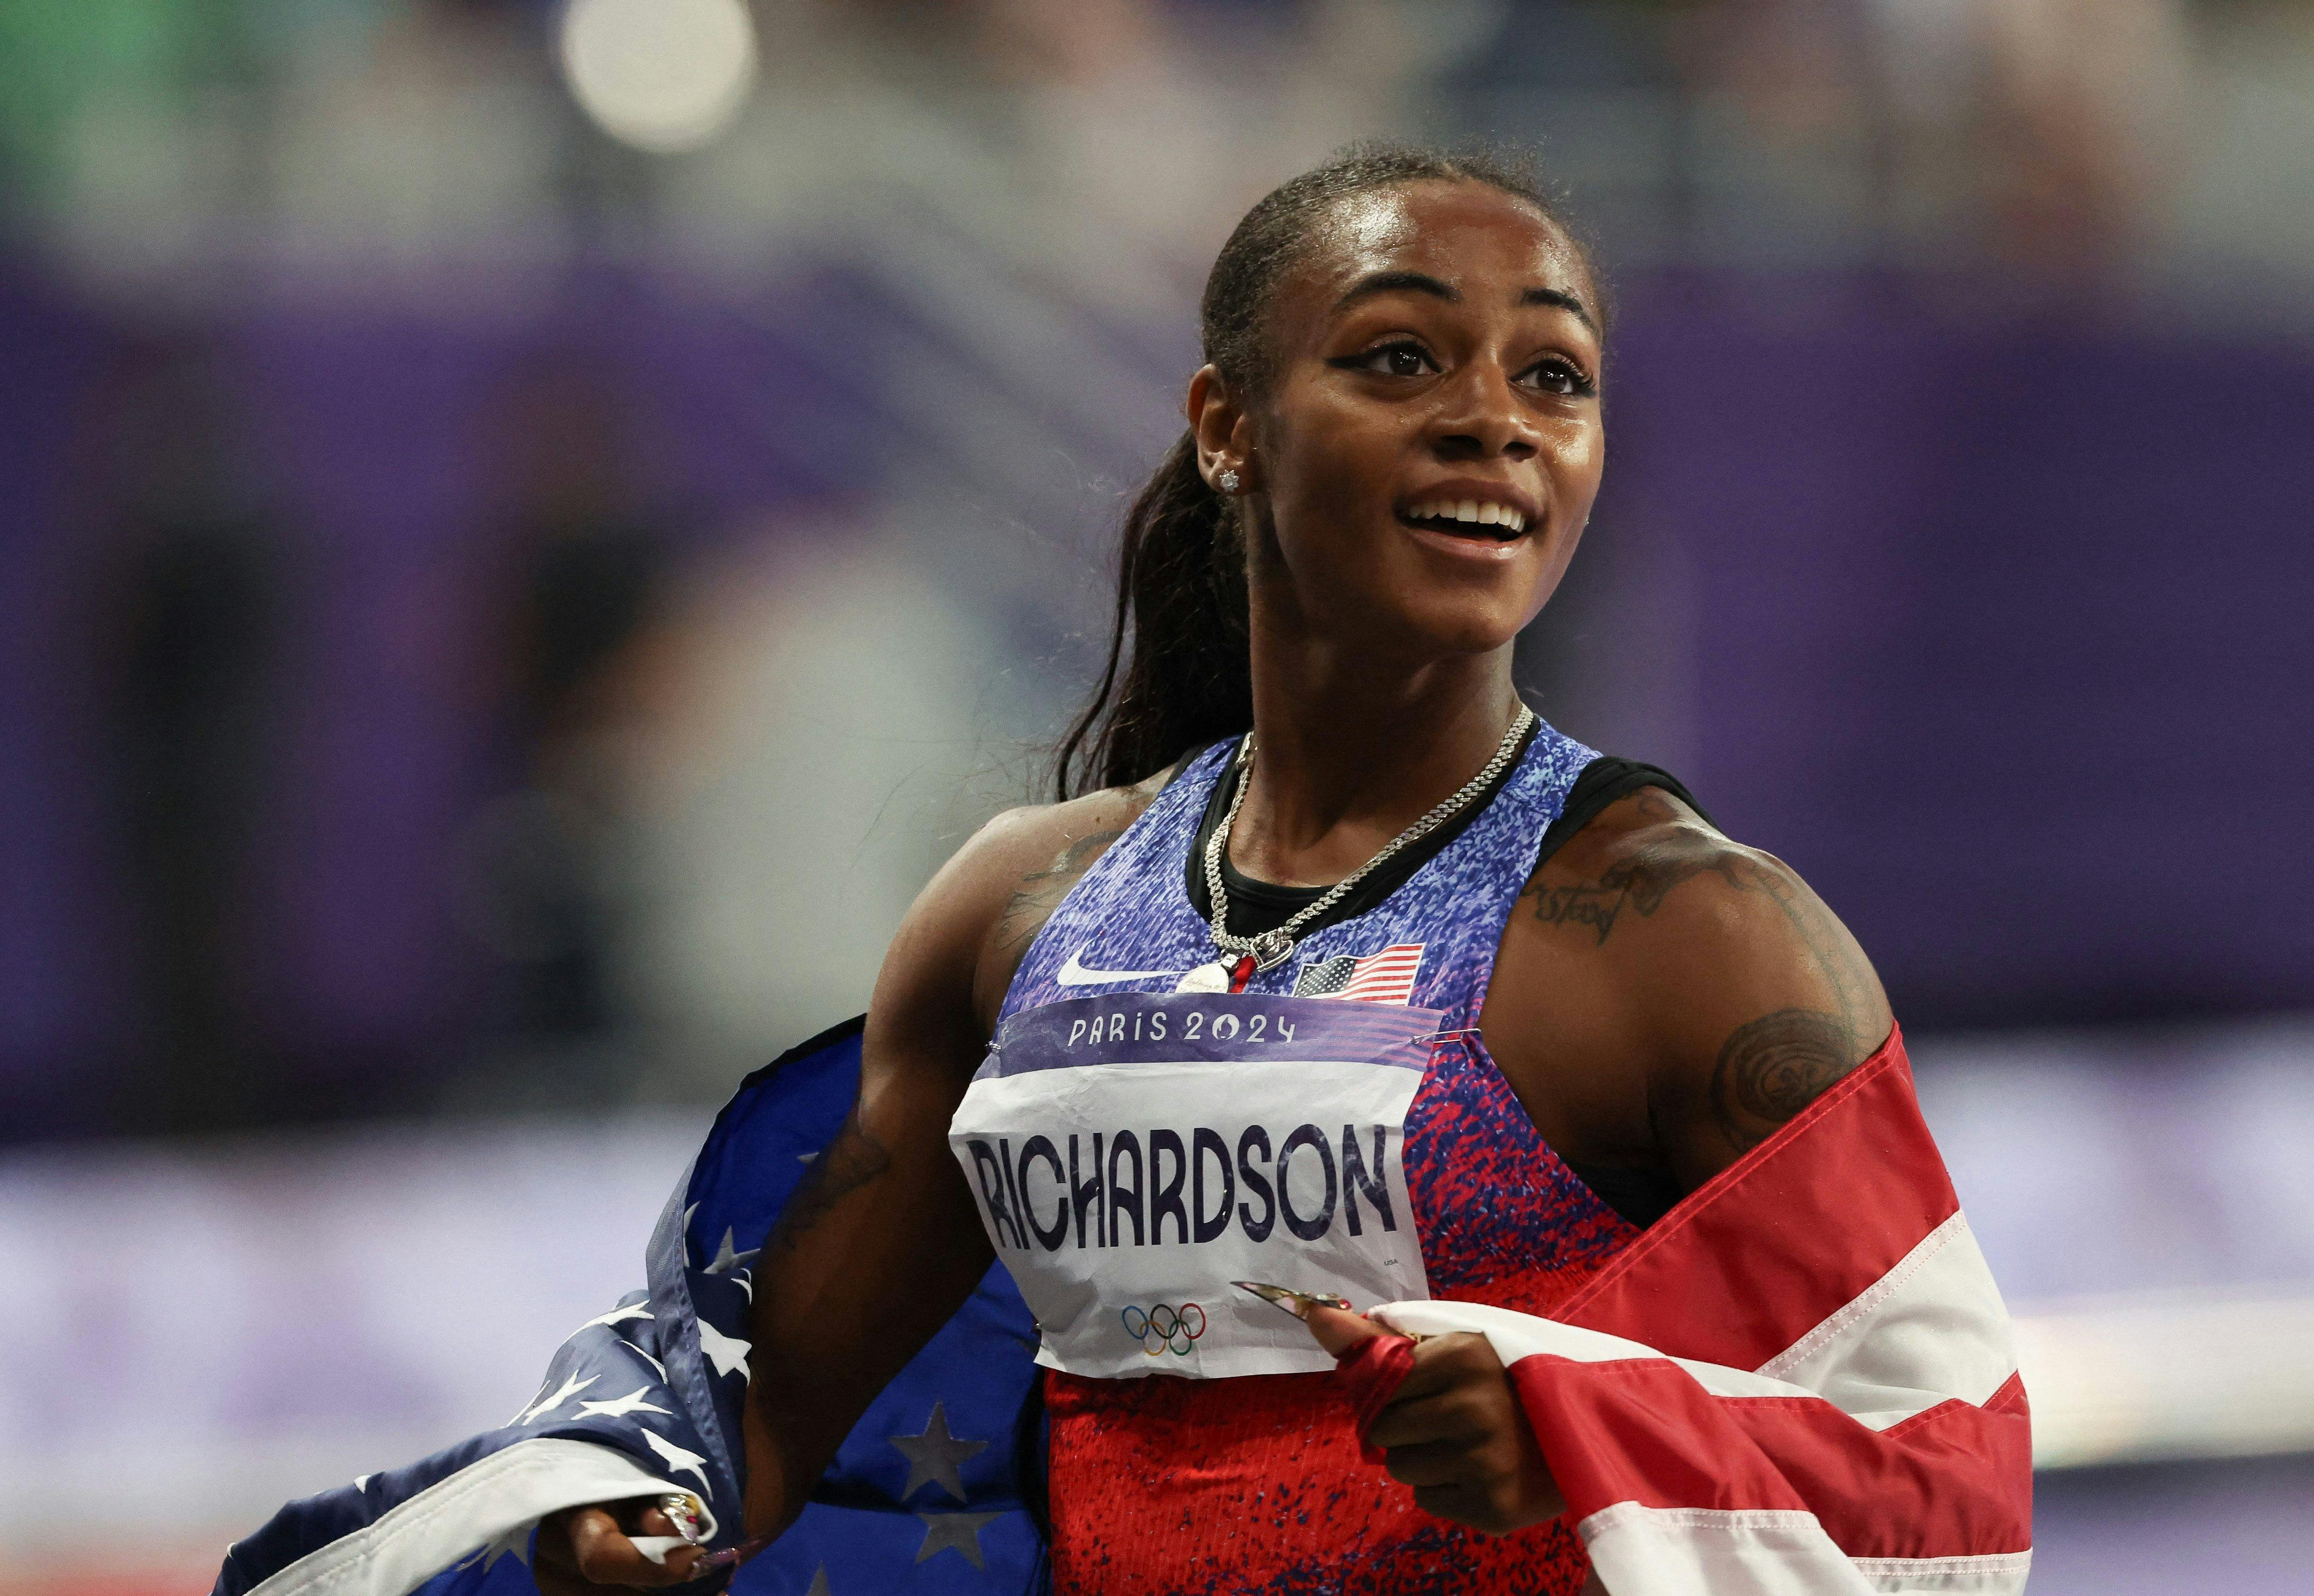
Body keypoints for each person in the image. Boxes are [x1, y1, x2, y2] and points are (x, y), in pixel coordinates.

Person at [537, 145, 1914, 1594]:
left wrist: (1597, 1439)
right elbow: (761, 1411)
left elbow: (1943, 1465)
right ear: (1226, 426)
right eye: (1401, 356)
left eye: (1555, 378)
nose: (1494, 421)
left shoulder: (1696, 936)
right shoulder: (1023, 915)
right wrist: (637, 1512)